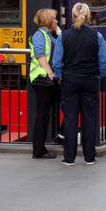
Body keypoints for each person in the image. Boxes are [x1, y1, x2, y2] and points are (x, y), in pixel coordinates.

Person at [57, 1, 106, 165]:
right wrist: (99, 74)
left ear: (72, 16)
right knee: (89, 118)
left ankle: (69, 158)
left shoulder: (63, 36)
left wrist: (60, 76)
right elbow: (104, 61)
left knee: (70, 119)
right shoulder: (97, 36)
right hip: (90, 80)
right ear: (88, 16)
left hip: (70, 80)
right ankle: (89, 157)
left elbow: (57, 62)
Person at [28, 8, 63, 159]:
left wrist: (60, 33)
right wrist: (50, 73)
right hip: (43, 79)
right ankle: (38, 150)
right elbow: (40, 55)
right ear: (49, 21)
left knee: (65, 105)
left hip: (48, 79)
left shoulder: (49, 35)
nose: (56, 21)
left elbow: (60, 48)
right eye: (54, 19)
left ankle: (60, 135)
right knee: (42, 114)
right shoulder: (39, 35)